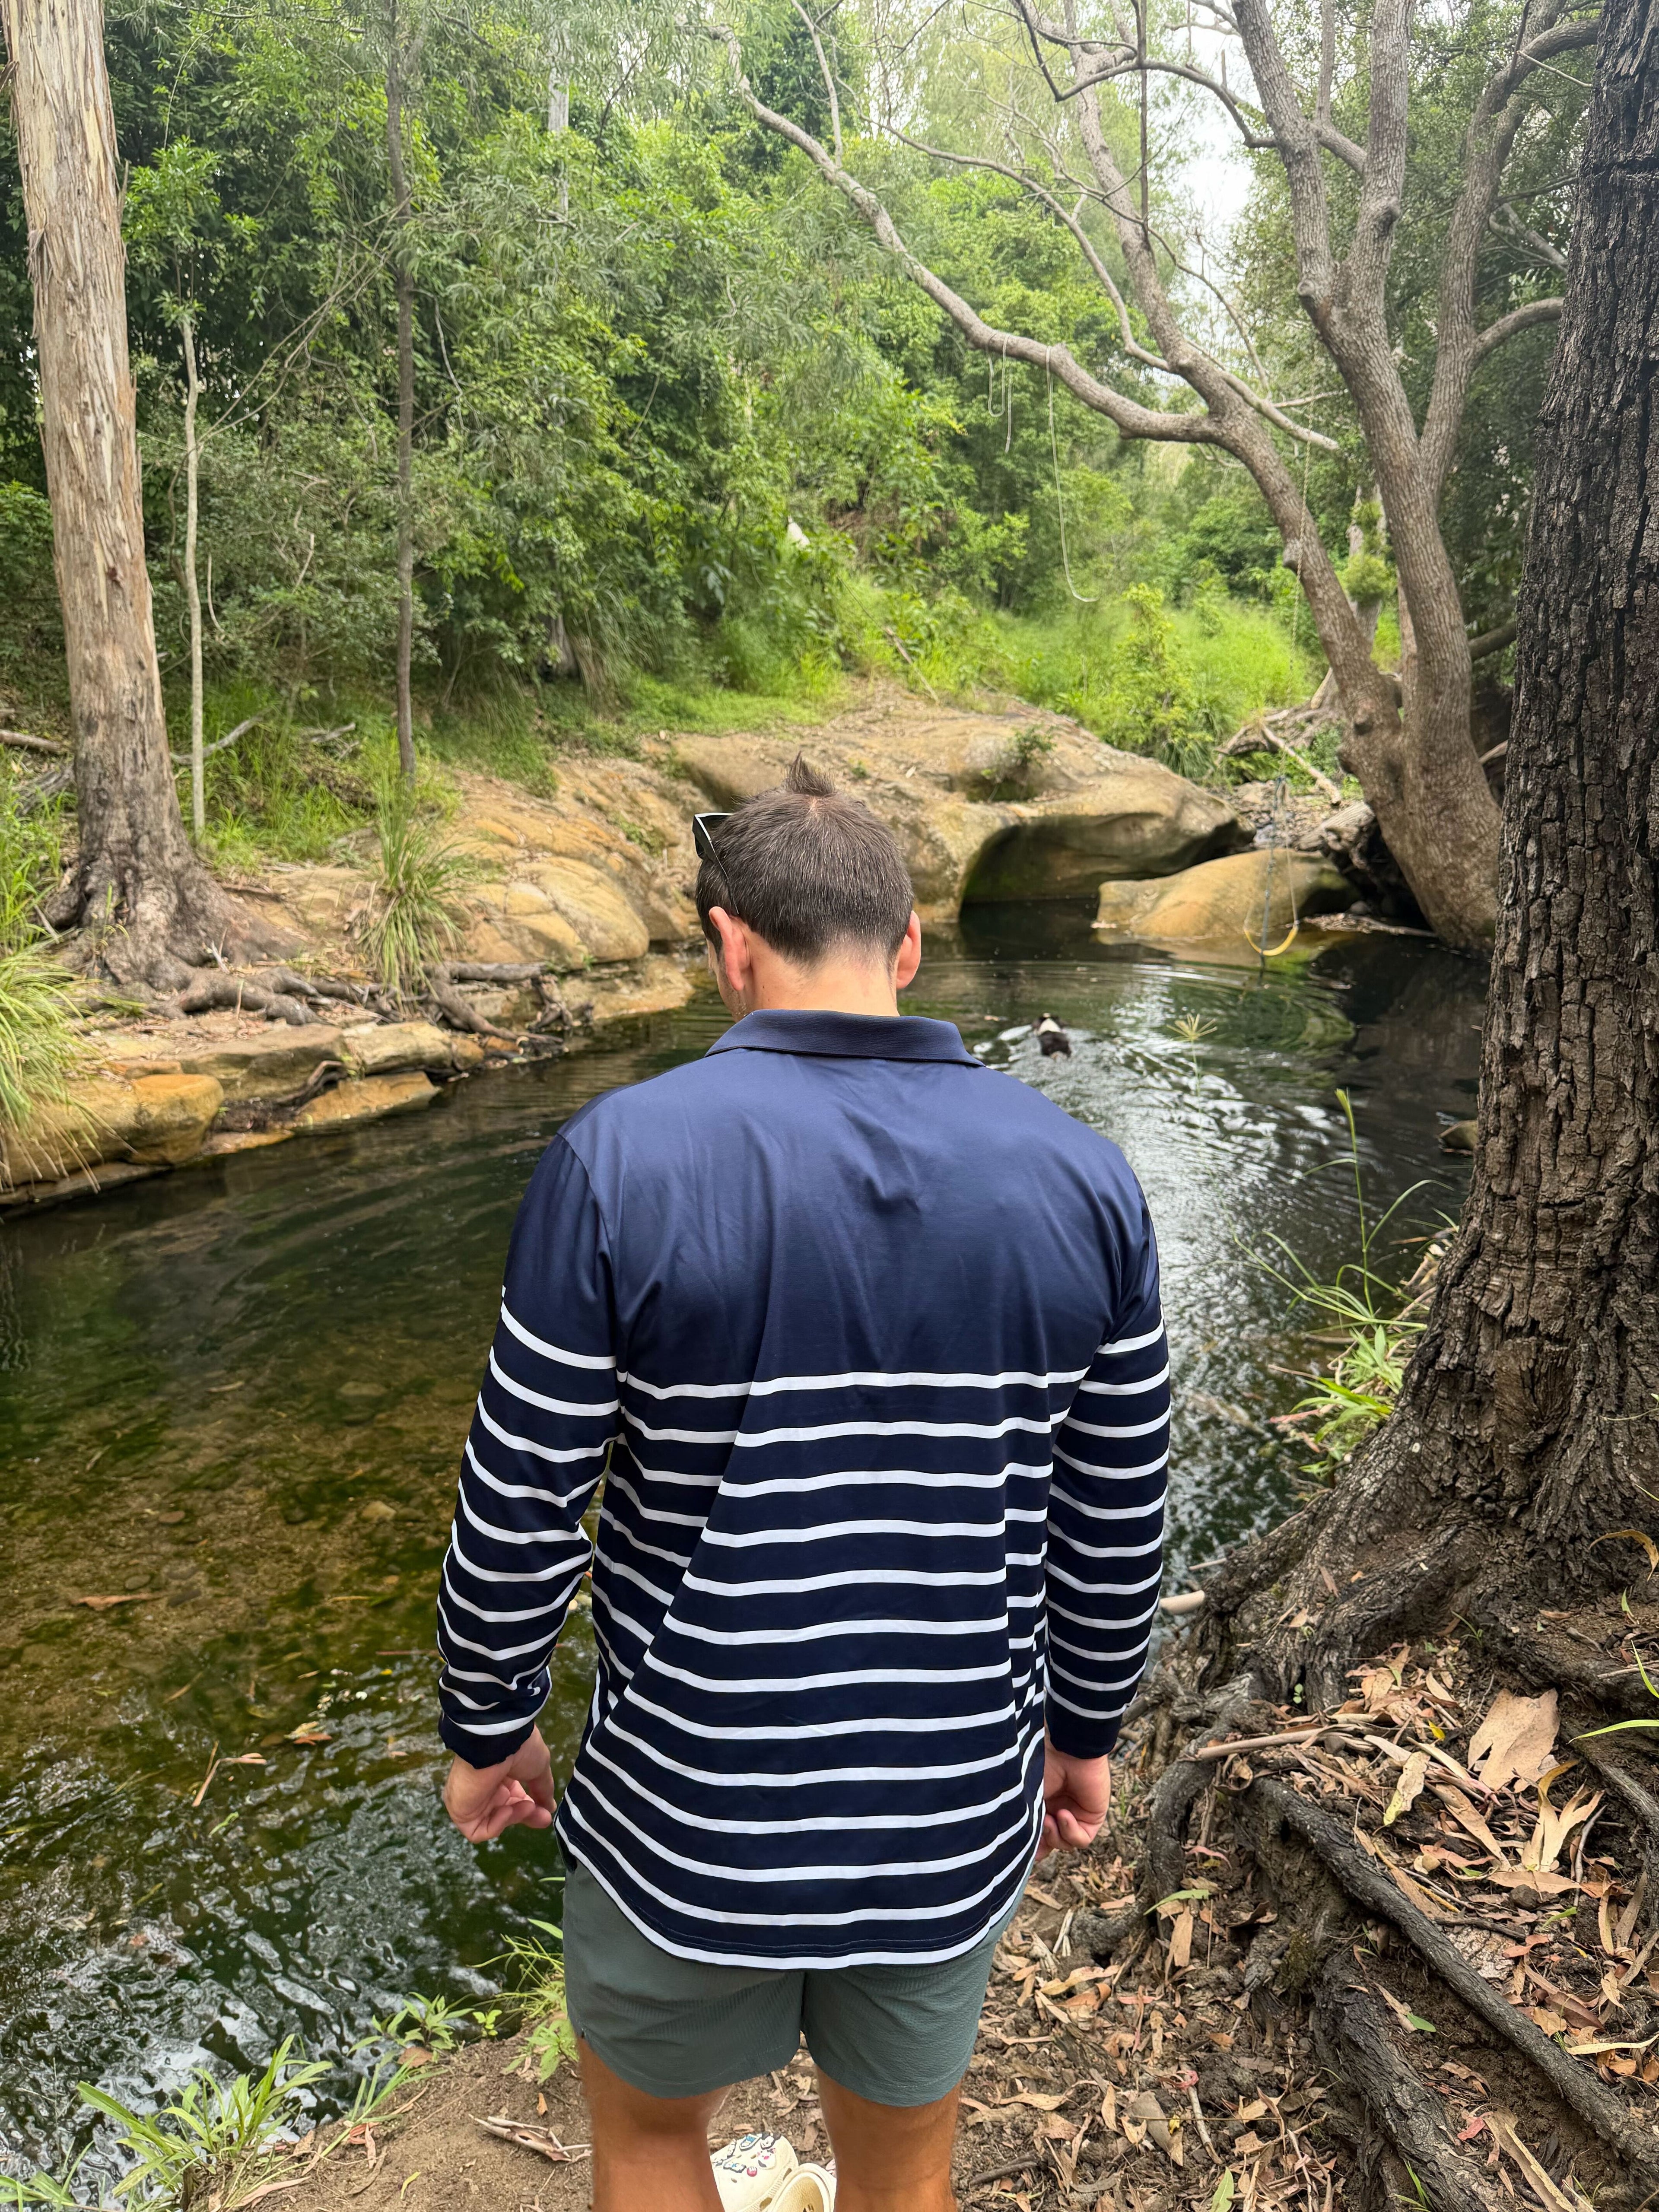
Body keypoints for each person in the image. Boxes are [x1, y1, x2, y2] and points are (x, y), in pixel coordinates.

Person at [438, 758, 1169, 2212]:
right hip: (945, 1809)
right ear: (906, 948)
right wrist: (1085, 1730)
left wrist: (489, 1725)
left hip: (688, 1810)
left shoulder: (618, 1161)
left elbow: (524, 1497)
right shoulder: (1088, 1182)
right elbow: (1118, 1518)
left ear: (730, 945)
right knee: (901, 2178)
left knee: (650, 2144)